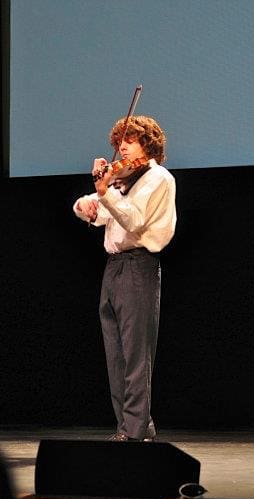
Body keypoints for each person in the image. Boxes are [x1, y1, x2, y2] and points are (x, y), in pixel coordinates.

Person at [73, 115, 177, 442]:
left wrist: (106, 192)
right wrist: (88, 205)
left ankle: (134, 434)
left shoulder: (157, 178)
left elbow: (133, 220)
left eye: (128, 140)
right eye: (119, 141)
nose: (121, 147)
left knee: (135, 355)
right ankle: (131, 427)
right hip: (114, 266)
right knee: (115, 356)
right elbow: (101, 212)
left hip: (138, 265)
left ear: (147, 143)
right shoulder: (125, 179)